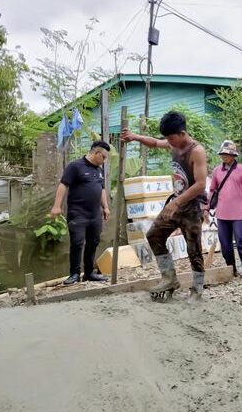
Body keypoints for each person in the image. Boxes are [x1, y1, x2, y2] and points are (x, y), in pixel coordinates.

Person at [121, 111, 208, 303]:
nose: (168, 141)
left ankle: (197, 289)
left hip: (191, 207)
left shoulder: (196, 151)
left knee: (194, 249)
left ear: (182, 133)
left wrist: (177, 202)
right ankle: (169, 278)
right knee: (154, 235)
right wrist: (135, 137)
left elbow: (201, 184)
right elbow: (154, 142)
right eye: (166, 137)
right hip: (175, 205)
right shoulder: (172, 142)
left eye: (170, 137)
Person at [51, 140, 111, 285]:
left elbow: (101, 189)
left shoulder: (99, 170)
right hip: (77, 213)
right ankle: (74, 274)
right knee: (77, 243)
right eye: (103, 157)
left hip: (94, 214)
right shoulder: (75, 166)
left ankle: (89, 273)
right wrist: (56, 206)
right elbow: (63, 185)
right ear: (96, 153)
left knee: (94, 242)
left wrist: (106, 207)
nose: (104, 161)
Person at [208, 140, 242, 283]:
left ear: (233, 155)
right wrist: (206, 208)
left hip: (239, 212)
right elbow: (212, 191)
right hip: (222, 213)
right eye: (222, 154)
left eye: (227, 154)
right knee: (225, 244)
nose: (224, 157)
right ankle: (232, 269)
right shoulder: (217, 170)